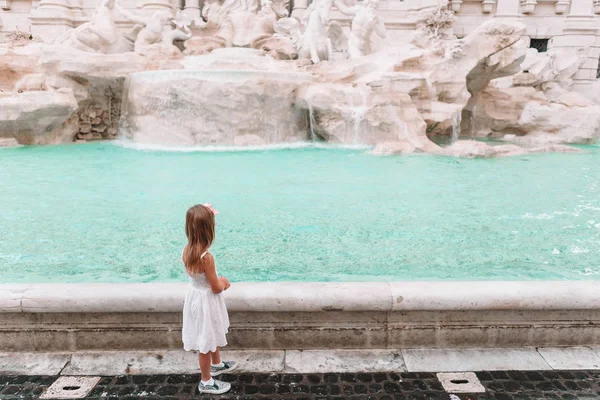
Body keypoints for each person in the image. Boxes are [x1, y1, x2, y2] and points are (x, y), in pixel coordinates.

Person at [181, 203, 236, 395]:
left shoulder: (186, 250)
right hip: (206, 300)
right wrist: (224, 282)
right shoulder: (207, 258)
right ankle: (206, 381)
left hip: (195, 297)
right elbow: (215, 287)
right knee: (205, 340)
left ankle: (218, 364)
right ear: (209, 230)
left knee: (210, 331)